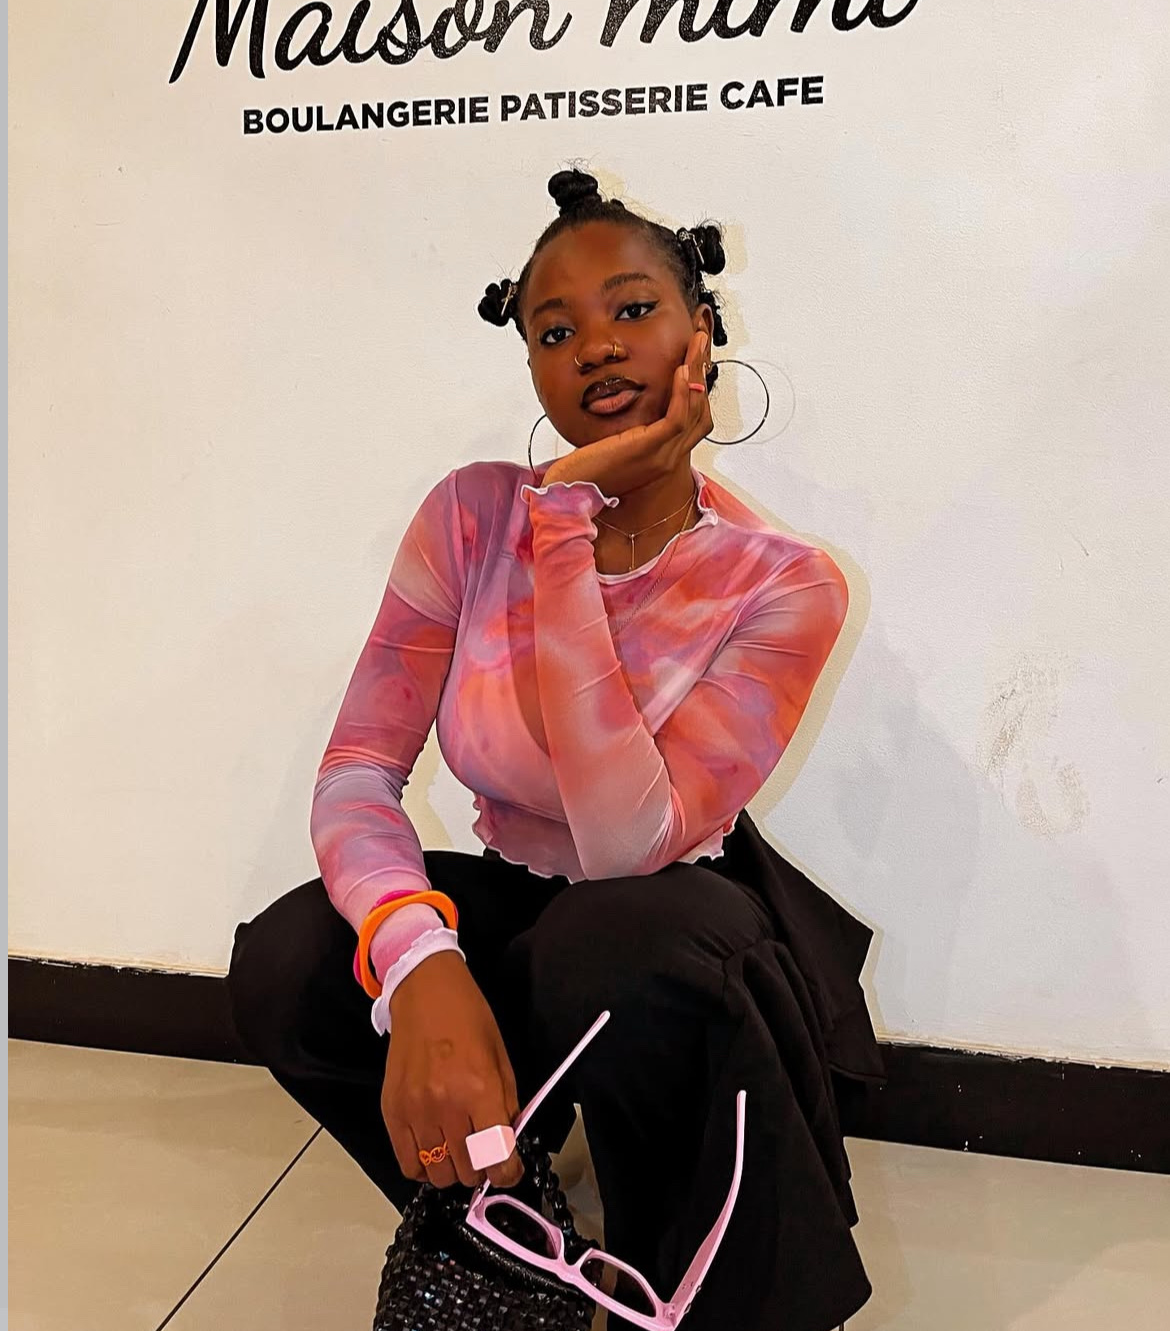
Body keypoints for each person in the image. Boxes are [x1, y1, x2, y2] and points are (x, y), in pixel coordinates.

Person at [227, 168, 886, 1331]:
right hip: (530, 903)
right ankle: (512, 1220)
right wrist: (418, 957)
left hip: (680, 920)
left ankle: (701, 1281)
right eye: (555, 329)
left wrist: (567, 522)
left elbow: (629, 840)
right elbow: (358, 772)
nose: (597, 347)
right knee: (291, 958)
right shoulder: (471, 516)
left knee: (615, 945)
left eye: (633, 308)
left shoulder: (782, 582)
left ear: (702, 332)